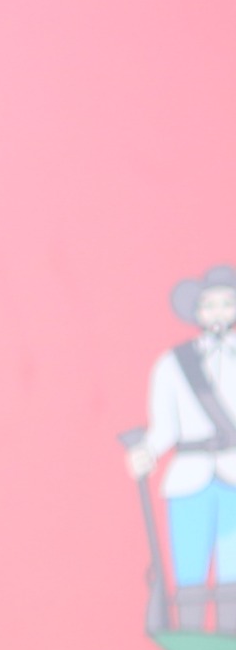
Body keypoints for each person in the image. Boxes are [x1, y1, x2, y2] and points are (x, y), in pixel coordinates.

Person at [126, 263, 236, 614]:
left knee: (233, 570)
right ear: (197, 311)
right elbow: (164, 428)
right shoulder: (172, 364)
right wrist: (146, 452)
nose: (218, 312)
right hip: (189, 475)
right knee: (189, 568)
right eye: (210, 305)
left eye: (227, 303)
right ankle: (189, 634)